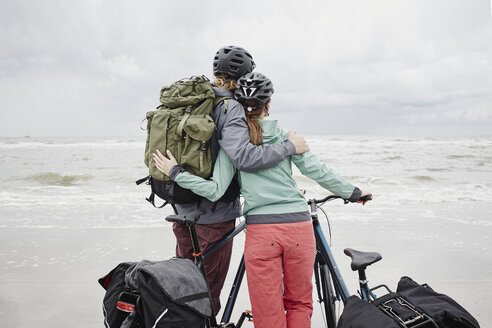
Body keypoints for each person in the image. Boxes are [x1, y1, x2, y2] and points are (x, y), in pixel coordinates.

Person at [154, 72, 371, 328]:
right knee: (299, 304)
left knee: (268, 313)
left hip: (262, 234)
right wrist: (354, 193)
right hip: (299, 230)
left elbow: (214, 191)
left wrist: (177, 173)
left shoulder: (233, 146)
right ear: (268, 104)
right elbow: (320, 173)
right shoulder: (286, 137)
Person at [170, 46, 310, 315]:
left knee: (182, 288)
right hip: (213, 217)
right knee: (206, 297)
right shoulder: (231, 107)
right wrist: (289, 147)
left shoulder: (196, 100)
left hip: (182, 208)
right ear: (242, 78)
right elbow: (243, 158)